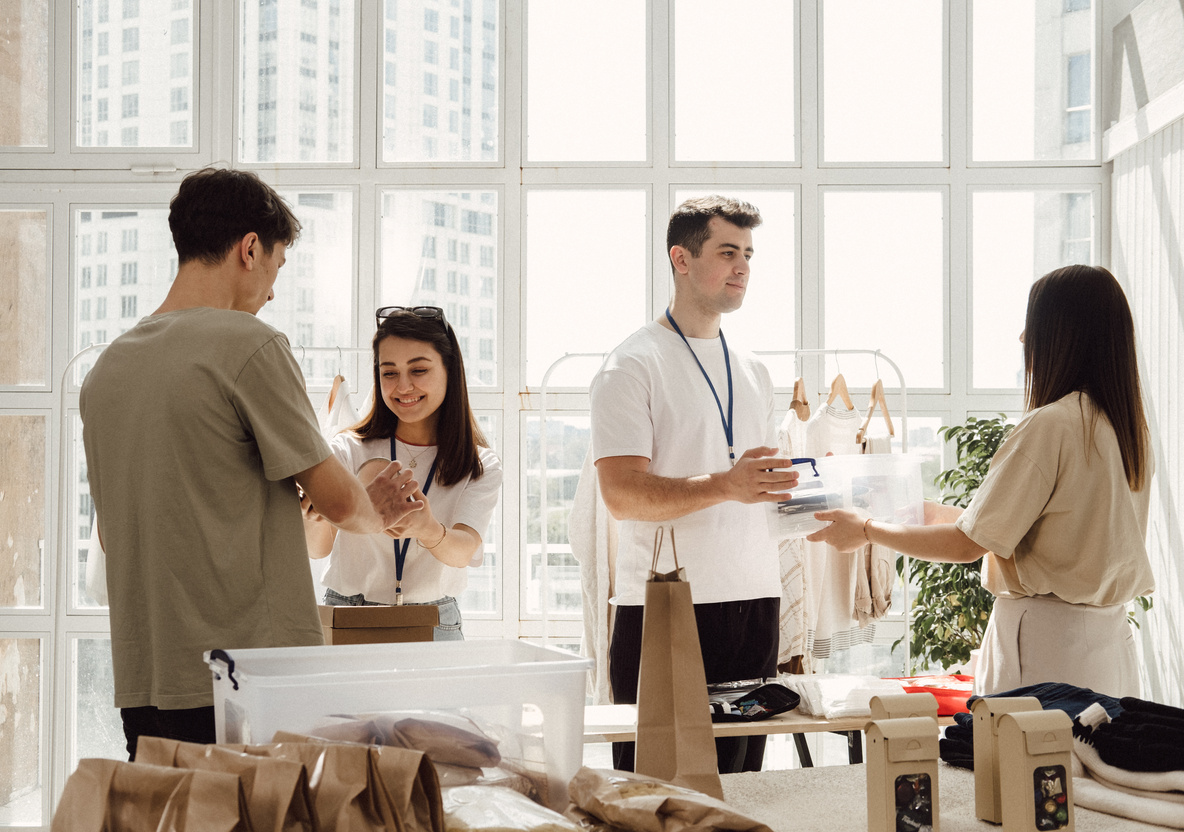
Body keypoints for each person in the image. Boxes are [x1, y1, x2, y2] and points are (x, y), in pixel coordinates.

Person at [80, 167, 423, 760]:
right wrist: (382, 509)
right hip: (247, 676)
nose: (270, 292)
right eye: (276, 269)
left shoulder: (106, 369)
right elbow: (342, 504)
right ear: (249, 248)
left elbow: (119, 531)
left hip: (146, 680)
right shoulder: (250, 344)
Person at [810, 264, 1154, 698]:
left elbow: (967, 546)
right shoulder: (1127, 431)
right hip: (1107, 645)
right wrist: (932, 513)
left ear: (1062, 334)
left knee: (1021, 763)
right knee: (1095, 763)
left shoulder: (1050, 426)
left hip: (1046, 645)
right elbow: (1048, 532)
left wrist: (865, 531)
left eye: (1033, 325)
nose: (1023, 339)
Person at [590, 195, 797, 774]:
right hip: (666, 603)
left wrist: (816, 506)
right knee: (658, 786)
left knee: (741, 783)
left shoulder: (755, 369)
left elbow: (758, 487)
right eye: (728, 251)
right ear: (681, 259)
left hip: (755, 597)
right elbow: (623, 494)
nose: (742, 268)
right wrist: (727, 485)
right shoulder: (630, 365)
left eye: (749, 255)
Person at [302, 306, 502, 639]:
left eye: (419, 370)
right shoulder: (347, 449)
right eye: (389, 372)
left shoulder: (478, 463)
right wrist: (311, 514)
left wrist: (427, 528)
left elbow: (463, 550)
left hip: (435, 619)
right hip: (347, 612)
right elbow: (318, 549)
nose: (403, 386)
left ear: (449, 369)